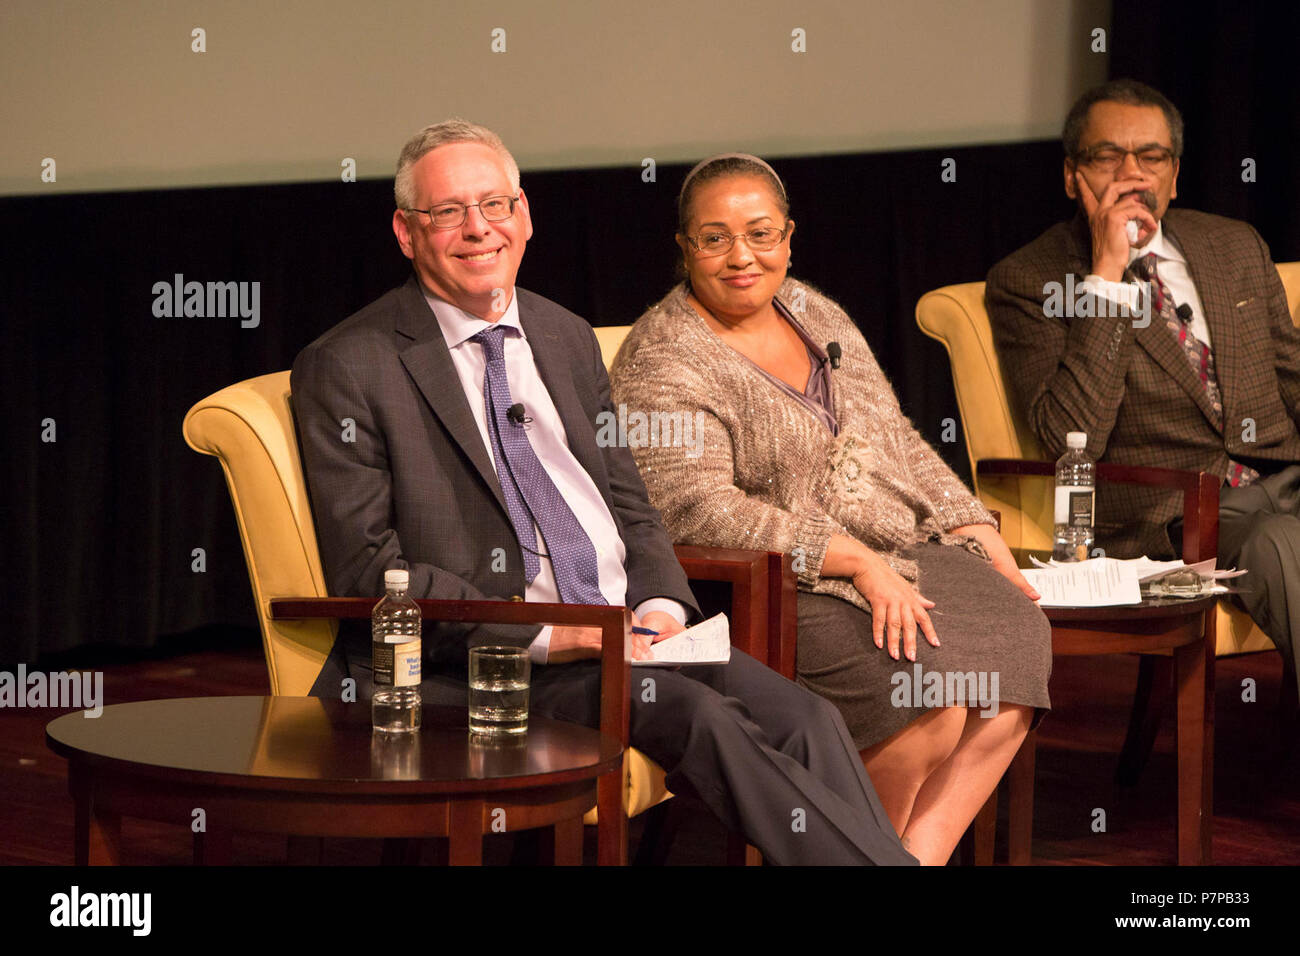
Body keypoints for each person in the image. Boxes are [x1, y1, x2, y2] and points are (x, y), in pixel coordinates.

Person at [290, 120, 916, 865]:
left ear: (523, 215)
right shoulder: (349, 364)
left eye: (494, 205)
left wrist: (654, 606)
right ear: (405, 232)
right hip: (485, 661)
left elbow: (630, 505)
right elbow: (368, 570)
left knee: (807, 717)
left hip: (631, 636)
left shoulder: (563, 336)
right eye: (447, 212)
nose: (477, 229)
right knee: (702, 720)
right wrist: (561, 633)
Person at [608, 153, 1051, 864]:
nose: (741, 256)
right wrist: (847, 557)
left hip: (892, 551)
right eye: (714, 238)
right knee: (926, 702)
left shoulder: (813, 309)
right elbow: (694, 511)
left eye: (760, 233)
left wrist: (966, 519)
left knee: (1016, 634)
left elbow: (896, 435)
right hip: (765, 583)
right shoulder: (664, 356)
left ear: (788, 236)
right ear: (685, 248)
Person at [986, 79, 1300, 694]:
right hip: (1181, 512)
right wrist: (1106, 276)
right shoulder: (1030, 279)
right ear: (1073, 176)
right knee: (1278, 542)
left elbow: (1290, 373)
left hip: (1285, 476)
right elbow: (1070, 436)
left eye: (1151, 156)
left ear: (1174, 175)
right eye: (1108, 157)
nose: (1132, 172)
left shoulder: (1233, 245)